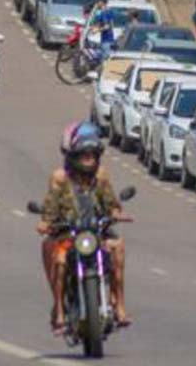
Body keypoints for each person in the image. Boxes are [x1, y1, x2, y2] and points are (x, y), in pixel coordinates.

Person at [36, 123, 129, 332]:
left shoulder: (101, 177)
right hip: (68, 234)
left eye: (92, 155)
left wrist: (116, 213)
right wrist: (45, 222)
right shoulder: (60, 179)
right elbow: (50, 208)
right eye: (83, 155)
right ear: (73, 155)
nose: (89, 159)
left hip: (97, 232)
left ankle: (119, 303)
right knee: (59, 259)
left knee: (118, 246)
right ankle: (59, 309)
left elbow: (111, 204)